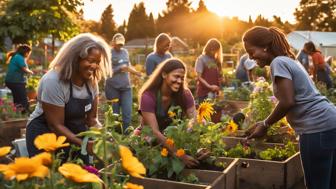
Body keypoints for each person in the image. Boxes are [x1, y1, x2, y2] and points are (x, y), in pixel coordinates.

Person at [243, 26, 336, 189]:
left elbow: (287, 101)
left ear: (265, 47)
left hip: (316, 129)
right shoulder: (289, 59)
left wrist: (265, 124)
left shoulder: (278, 63)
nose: (251, 58)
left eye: (252, 52)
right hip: (329, 122)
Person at [26, 33, 112, 164]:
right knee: (52, 180)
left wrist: (105, 136)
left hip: (74, 135)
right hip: (46, 136)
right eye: (90, 60)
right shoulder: (54, 81)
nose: (94, 66)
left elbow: (91, 119)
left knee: (82, 177)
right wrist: (84, 144)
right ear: (75, 58)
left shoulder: (91, 83)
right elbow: (55, 125)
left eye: (97, 62)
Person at [138, 58, 200, 168]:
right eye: (176, 76)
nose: (179, 81)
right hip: (151, 139)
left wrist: (197, 145)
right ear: (164, 74)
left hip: (174, 138)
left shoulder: (185, 94)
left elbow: (194, 119)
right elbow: (155, 132)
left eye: (182, 78)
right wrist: (180, 155)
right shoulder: (148, 97)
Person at [105, 33, 142, 132]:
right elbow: (106, 71)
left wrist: (135, 72)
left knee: (127, 112)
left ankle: (127, 135)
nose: (120, 46)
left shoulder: (125, 52)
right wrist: (119, 68)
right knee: (115, 113)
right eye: (118, 44)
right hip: (113, 87)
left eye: (121, 44)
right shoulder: (108, 53)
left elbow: (128, 65)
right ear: (113, 42)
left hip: (126, 87)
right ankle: (115, 135)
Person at [5, 44, 34, 113]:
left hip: (10, 81)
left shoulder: (16, 56)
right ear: (25, 52)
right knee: (23, 100)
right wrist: (31, 72)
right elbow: (24, 69)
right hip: (16, 82)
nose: (28, 54)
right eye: (28, 53)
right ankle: (26, 114)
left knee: (17, 99)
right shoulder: (20, 57)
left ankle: (17, 113)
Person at [195, 38, 223, 103]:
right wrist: (209, 86)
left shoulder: (216, 60)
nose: (213, 52)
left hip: (215, 93)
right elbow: (199, 77)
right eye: (212, 49)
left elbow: (219, 77)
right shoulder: (201, 59)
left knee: (215, 112)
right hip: (204, 93)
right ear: (208, 48)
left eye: (215, 50)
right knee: (204, 112)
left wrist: (219, 89)